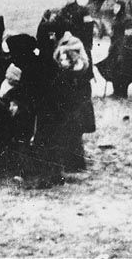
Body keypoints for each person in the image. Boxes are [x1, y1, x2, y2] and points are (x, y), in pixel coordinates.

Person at [37, 34, 94, 176]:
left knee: (73, 136)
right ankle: (72, 163)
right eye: (60, 60)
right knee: (68, 136)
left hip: (75, 110)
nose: (62, 62)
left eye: (65, 60)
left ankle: (75, 165)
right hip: (68, 110)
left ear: (71, 60)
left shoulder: (74, 75)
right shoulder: (65, 73)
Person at [95, 0, 132, 98]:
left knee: (125, 70)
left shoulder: (127, 19)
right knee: (114, 69)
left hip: (125, 48)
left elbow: (128, 35)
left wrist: (122, 48)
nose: (115, 9)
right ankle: (116, 91)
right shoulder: (116, 19)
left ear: (122, 8)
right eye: (114, 7)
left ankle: (123, 93)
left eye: (117, 7)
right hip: (115, 47)